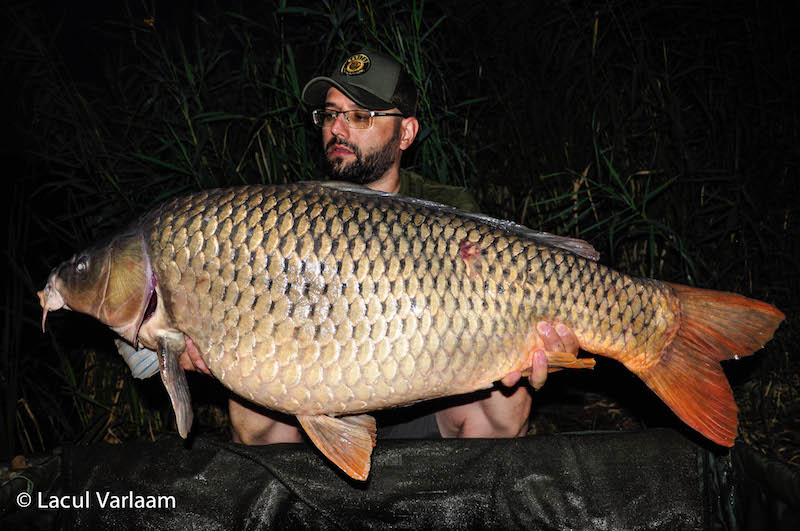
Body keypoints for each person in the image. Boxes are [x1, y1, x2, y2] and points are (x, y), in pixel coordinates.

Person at [179, 49, 580, 443]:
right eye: (332, 114)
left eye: (359, 117)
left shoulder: (449, 210)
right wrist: (213, 345)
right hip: (317, 392)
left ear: (405, 132)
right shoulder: (291, 217)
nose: (338, 128)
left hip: (423, 396)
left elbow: (505, 306)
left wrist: (535, 343)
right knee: (250, 416)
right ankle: (303, 503)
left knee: (508, 402)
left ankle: (453, 505)